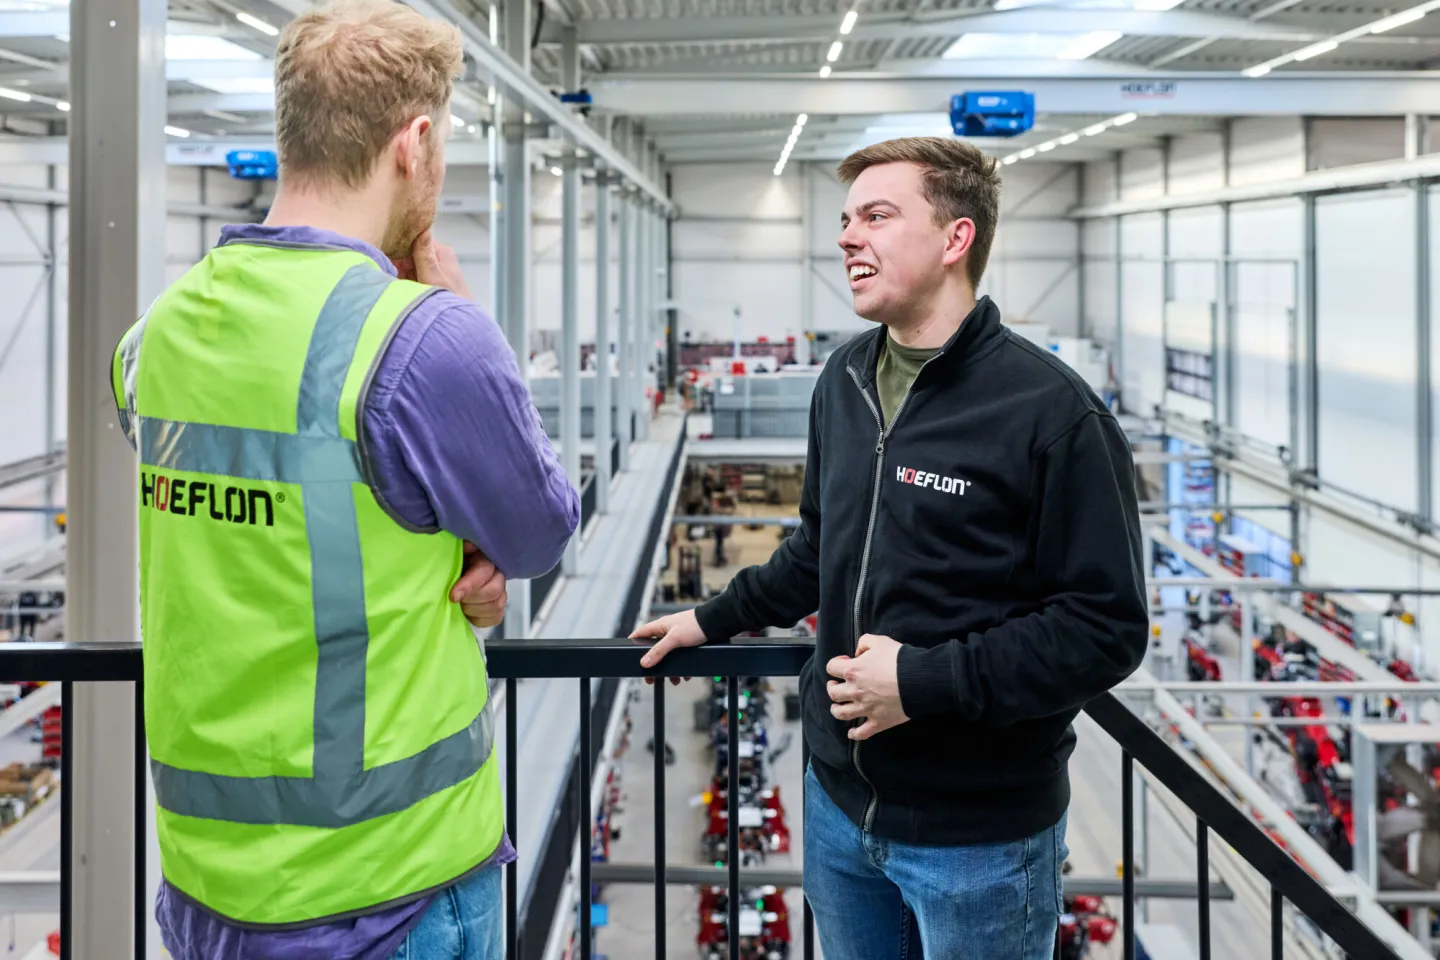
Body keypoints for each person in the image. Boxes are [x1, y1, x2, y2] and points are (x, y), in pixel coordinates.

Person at [109, 1, 579, 957]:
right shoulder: (417, 336)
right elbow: (539, 533)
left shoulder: (153, 339)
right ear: (413, 142)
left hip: (206, 892)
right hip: (387, 889)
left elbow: (283, 513)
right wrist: (463, 324)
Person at [632, 137, 1147, 959]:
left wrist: (924, 680)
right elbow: (818, 549)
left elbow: (1105, 628)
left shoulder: (1054, 415)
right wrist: (710, 618)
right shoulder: (843, 380)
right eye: (844, 218)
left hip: (980, 840)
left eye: (876, 215)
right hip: (839, 811)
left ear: (955, 239)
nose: (845, 236)